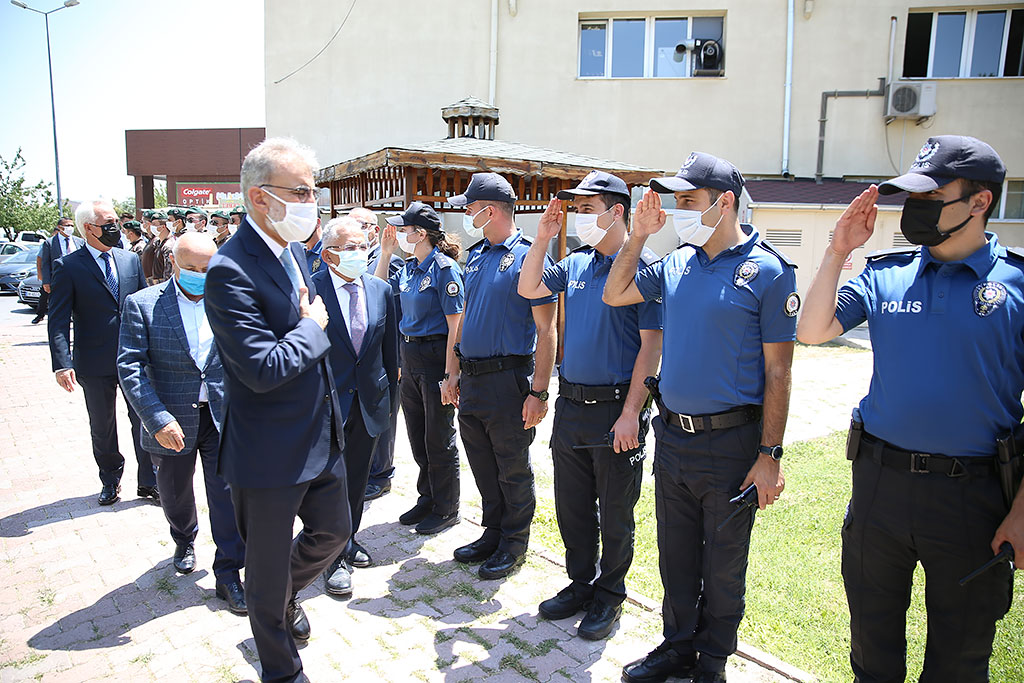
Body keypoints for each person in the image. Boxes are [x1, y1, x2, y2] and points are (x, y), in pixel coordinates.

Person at [797, 135, 1024, 682]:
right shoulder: (886, 273)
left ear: (979, 202)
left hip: (972, 498)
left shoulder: (1017, 286)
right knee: (872, 650)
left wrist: (1022, 511)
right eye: (911, 196)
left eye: (930, 195)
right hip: (880, 488)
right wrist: (836, 249)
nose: (914, 208)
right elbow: (812, 329)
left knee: (960, 657)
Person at [603, 152, 796, 683]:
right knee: (677, 555)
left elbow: (779, 373)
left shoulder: (770, 272)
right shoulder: (676, 263)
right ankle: (677, 647)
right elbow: (615, 292)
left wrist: (770, 457)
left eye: (688, 201)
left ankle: (712, 661)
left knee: (724, 563)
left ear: (724, 202)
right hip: (674, 438)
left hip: (732, 444)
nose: (677, 210)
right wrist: (639, 236)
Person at [204, 137, 349, 683]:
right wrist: (314, 329)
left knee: (334, 533)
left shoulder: (290, 249)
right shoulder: (229, 270)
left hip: (319, 436)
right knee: (262, 573)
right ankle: (281, 670)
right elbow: (261, 367)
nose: (314, 201)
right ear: (261, 197)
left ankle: (280, 599)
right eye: (303, 191)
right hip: (267, 452)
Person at [518, 171, 663, 641]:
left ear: (616, 211)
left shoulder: (643, 268)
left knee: (616, 511)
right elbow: (529, 287)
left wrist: (631, 414)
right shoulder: (576, 263)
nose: (578, 217)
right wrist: (542, 237)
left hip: (617, 408)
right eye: (576, 209)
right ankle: (581, 584)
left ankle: (610, 596)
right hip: (573, 405)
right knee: (573, 508)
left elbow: (650, 348)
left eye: (585, 209)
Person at [117, 232, 247, 614]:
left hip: (222, 417)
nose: (199, 275)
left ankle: (228, 573)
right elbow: (130, 366)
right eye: (191, 268)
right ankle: (183, 535)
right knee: (173, 493)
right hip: (171, 419)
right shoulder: (142, 305)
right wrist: (156, 418)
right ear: (173, 263)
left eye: (207, 269)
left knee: (226, 496)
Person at [447, 173, 558, 580]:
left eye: (469, 207)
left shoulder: (530, 256)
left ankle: (514, 543)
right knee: (482, 462)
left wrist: (539, 392)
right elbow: (465, 319)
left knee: (512, 467)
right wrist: (453, 371)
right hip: (473, 379)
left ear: (489, 211)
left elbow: (547, 329)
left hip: (508, 379)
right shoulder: (476, 255)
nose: (465, 213)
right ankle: (492, 532)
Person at [47, 200, 156, 506]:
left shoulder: (129, 260)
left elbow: (145, 305)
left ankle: (149, 481)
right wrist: (61, 363)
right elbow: (57, 320)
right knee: (102, 425)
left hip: (135, 358)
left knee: (145, 420)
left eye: (114, 223)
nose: (115, 228)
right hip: (94, 362)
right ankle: (110, 478)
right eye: (107, 223)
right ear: (88, 229)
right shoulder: (68, 267)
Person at [313, 217, 399, 597]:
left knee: (358, 480)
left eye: (363, 246)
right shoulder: (310, 291)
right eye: (350, 248)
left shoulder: (381, 289)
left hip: (368, 402)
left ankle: (347, 540)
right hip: (324, 405)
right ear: (330, 255)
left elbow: (389, 351)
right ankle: (329, 558)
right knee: (327, 484)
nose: (359, 253)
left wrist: (388, 405)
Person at [374, 202, 464, 535]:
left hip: (434, 354)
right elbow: (378, 290)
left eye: (404, 229)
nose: (399, 234)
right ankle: (427, 498)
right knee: (417, 435)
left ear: (420, 233)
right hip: (409, 354)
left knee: (438, 436)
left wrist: (449, 374)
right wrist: (385, 254)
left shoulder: (443, 268)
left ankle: (447, 507)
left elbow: (456, 324)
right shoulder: (411, 267)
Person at [356, 206, 405, 501]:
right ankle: (367, 470)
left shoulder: (390, 262)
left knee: (383, 416)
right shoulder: (355, 259)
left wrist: (395, 359)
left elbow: (394, 313)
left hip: (385, 352)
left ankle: (381, 473)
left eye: (360, 225)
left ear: (374, 230)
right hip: (361, 353)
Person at [33, 217, 82, 325]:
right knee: (58, 306)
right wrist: (46, 281)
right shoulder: (49, 243)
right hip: (58, 279)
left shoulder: (79, 241)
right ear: (60, 227)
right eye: (67, 225)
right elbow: (45, 263)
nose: (70, 228)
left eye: (72, 226)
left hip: (77, 278)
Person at [146, 211, 175, 286]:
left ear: (163, 226)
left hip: (162, 285)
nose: (151, 227)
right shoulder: (159, 243)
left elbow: (169, 273)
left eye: (154, 224)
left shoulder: (169, 246)